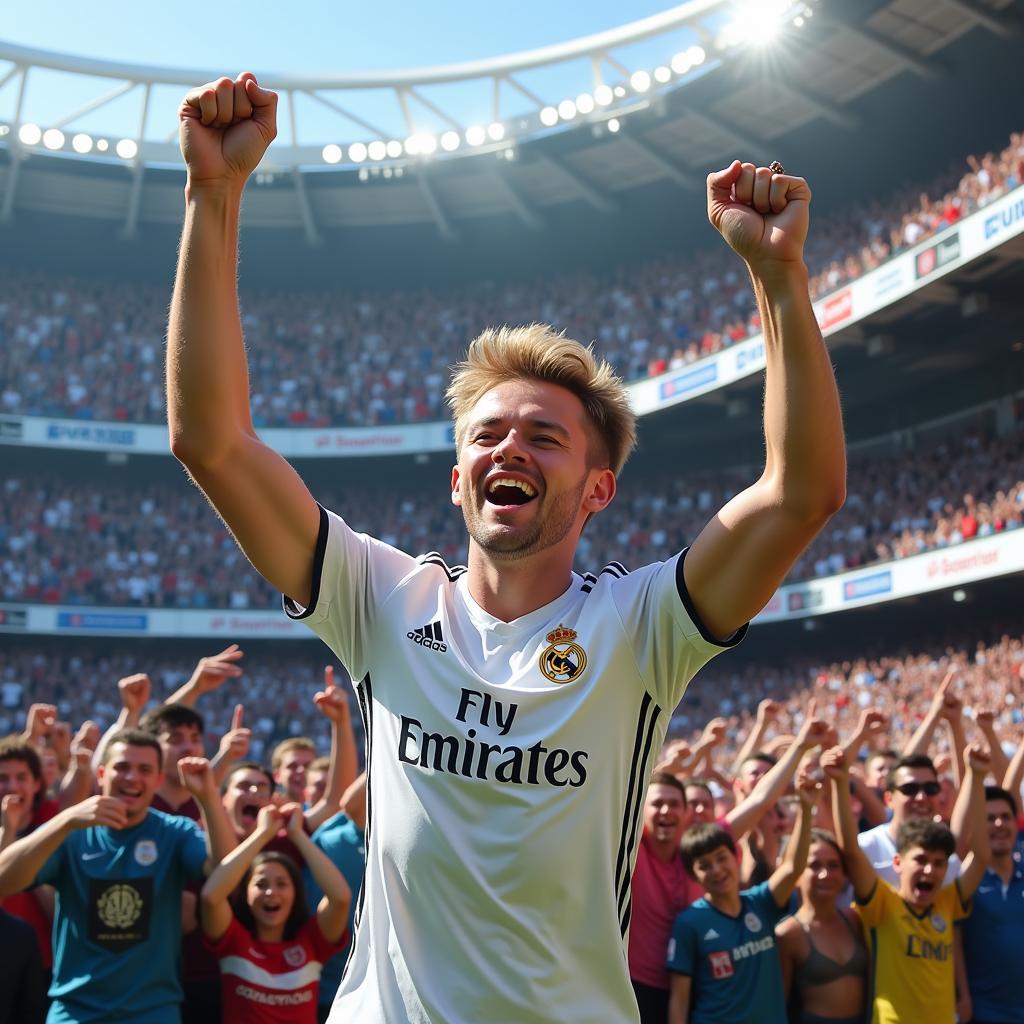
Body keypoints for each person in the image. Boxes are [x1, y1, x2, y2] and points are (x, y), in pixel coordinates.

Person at [167, 70, 845, 1023]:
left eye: (544, 436)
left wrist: (779, 278)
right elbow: (212, 441)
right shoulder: (382, 600)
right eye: (485, 436)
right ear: (457, 479)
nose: (508, 449)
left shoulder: (641, 627)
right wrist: (212, 194)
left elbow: (800, 494)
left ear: (599, 488)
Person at [0, 730, 236, 1024]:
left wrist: (209, 797)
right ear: (101, 774)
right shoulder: (72, 833)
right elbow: (4, 880)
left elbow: (226, 871)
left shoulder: (175, 832)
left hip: (152, 1013)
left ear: (159, 780)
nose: (132, 778)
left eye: (145, 770)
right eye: (122, 767)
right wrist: (64, 820)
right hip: (75, 1012)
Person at [824, 743, 989, 1024]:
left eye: (938, 863)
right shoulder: (882, 900)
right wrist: (840, 782)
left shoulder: (946, 898)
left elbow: (978, 854)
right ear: (897, 863)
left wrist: (977, 776)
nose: (930, 870)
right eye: (910, 789)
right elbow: (849, 848)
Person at [665, 770, 817, 1024]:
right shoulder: (688, 924)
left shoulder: (761, 903)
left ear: (735, 858)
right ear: (693, 875)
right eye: (704, 865)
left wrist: (806, 807)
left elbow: (793, 868)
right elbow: (679, 1001)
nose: (717, 870)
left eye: (721, 858)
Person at [200, 802, 351, 1023]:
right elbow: (211, 897)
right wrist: (262, 834)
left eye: (282, 884)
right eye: (260, 884)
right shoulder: (233, 942)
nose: (271, 892)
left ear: (296, 893)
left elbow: (340, 898)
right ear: (246, 894)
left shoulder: (312, 943)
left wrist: (298, 835)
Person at [775, 829, 868, 1024]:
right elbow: (778, 1004)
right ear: (797, 874)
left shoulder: (855, 920)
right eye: (814, 866)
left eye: (833, 865)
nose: (825, 874)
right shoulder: (789, 934)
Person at [957, 785, 1024, 1024]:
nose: (999, 824)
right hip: (983, 1014)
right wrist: (963, 995)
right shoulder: (966, 880)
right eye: (989, 818)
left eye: (1006, 817)